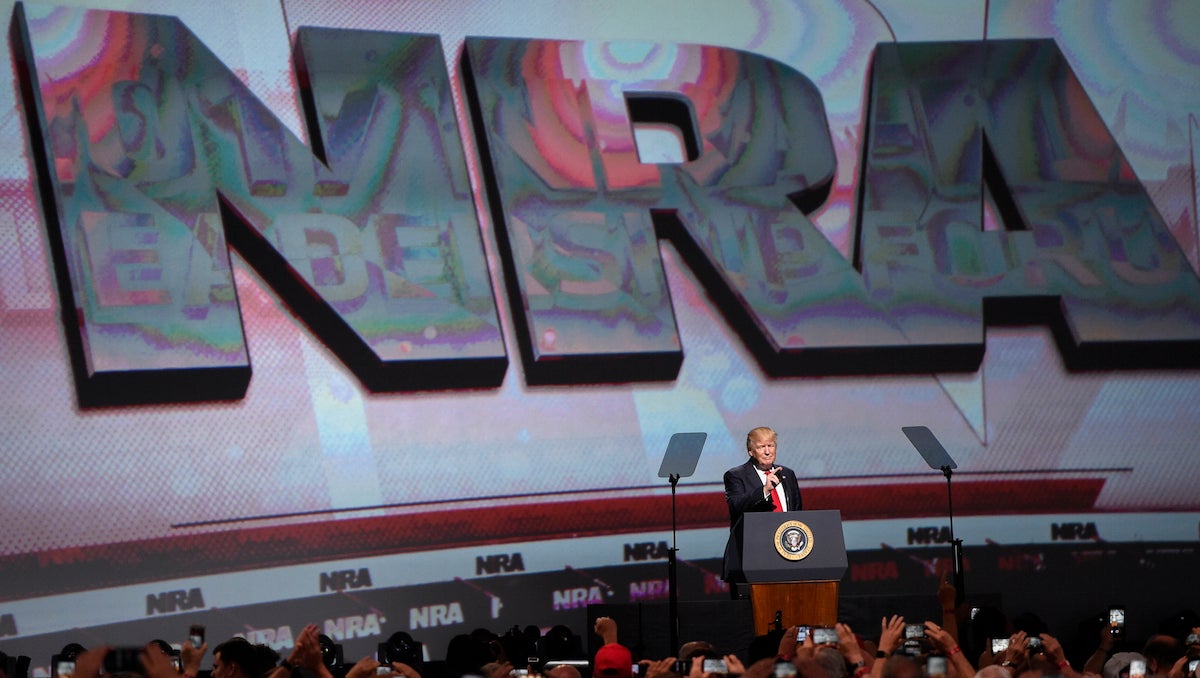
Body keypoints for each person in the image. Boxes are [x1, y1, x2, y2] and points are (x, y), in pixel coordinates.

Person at [722, 426, 803, 582]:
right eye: (761, 447)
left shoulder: (788, 474)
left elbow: (797, 512)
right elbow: (736, 505)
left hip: (787, 552)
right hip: (753, 555)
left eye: (770, 445)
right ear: (751, 451)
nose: (767, 451)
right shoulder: (736, 476)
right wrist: (765, 490)